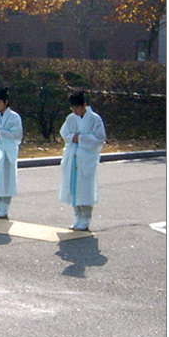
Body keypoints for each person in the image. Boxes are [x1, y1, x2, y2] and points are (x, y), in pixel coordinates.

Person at [59, 90, 106, 231]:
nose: (75, 111)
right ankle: (76, 217)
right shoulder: (71, 118)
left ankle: (85, 218)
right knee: (73, 188)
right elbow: (64, 132)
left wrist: (81, 138)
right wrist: (72, 137)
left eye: (77, 107)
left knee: (85, 189)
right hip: (72, 156)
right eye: (72, 108)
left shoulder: (95, 119)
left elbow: (100, 138)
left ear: (84, 105)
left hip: (86, 158)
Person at [0, 85, 23, 219]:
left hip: (7, 152)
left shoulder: (14, 117)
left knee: (6, 179)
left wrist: (1, 133)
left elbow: (17, 134)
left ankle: (4, 207)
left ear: (6, 102)